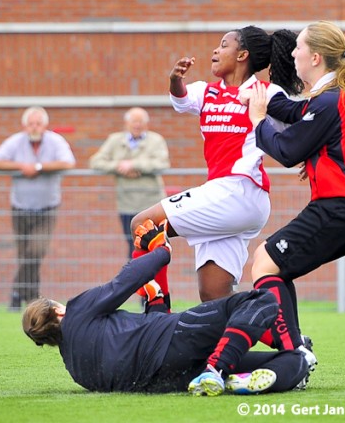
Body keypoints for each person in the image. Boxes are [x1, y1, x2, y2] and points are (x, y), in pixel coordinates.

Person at [22, 225, 312, 395]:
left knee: (296, 360)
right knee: (260, 301)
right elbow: (125, 281)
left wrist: (156, 302)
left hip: (174, 376)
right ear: (57, 312)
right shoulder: (77, 310)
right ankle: (218, 368)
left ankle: (235, 380)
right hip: (177, 338)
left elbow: (137, 353)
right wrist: (161, 252)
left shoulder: (77, 372)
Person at [130, 26, 304, 304]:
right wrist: (175, 80)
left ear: (242, 55)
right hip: (224, 196)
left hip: (240, 190)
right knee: (214, 296)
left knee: (144, 223)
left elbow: (298, 126)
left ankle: (156, 315)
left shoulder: (264, 93)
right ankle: (286, 337)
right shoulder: (206, 92)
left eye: (224, 45)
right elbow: (181, 99)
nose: (215, 50)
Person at [245, 20, 345, 353]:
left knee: (264, 262)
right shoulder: (332, 97)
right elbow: (294, 111)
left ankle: (293, 352)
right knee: (276, 268)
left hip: (342, 207)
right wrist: (253, 87)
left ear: (316, 57)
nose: (293, 53)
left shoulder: (327, 101)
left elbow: (287, 152)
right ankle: (294, 346)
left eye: (299, 47)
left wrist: (258, 122)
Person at [0, 107, 76, 311]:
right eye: (31, 123)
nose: (34, 127)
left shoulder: (56, 141)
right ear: (24, 125)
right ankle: (32, 301)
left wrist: (38, 167)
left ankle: (16, 292)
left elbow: (68, 162)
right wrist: (21, 167)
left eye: (38, 123)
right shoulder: (15, 141)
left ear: (45, 125)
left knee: (35, 252)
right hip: (20, 208)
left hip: (47, 208)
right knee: (25, 256)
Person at [89, 107, 170, 260]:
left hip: (152, 204)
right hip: (126, 205)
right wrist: (120, 167)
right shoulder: (115, 140)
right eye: (134, 121)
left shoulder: (156, 140)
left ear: (146, 124)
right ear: (126, 123)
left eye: (140, 122)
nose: (137, 125)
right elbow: (96, 162)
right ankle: (136, 283)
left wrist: (135, 165)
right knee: (133, 246)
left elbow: (162, 163)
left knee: (155, 245)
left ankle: (155, 281)